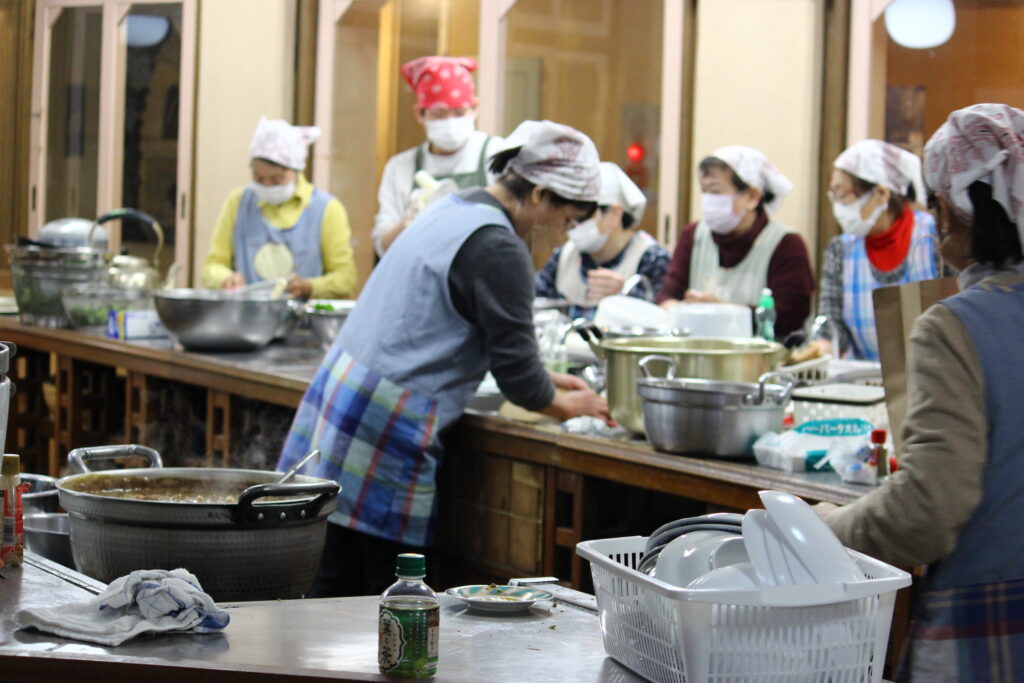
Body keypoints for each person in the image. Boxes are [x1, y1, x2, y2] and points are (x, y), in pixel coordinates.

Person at [276, 120, 612, 597]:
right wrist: (572, 406)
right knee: (389, 593)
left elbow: (484, 341)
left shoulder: (456, 206)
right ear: (538, 195)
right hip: (387, 423)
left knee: (334, 581)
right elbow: (520, 384)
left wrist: (553, 379)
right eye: (569, 219)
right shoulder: (500, 247)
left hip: (343, 396)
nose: (565, 235)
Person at [819, 104, 1024, 681]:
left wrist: (826, 527)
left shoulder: (955, 325)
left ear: (959, 214)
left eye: (938, 203)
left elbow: (929, 511)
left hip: (992, 630)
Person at [656, 145, 814, 341]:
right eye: (704, 191)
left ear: (752, 197)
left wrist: (722, 313)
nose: (707, 200)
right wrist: (678, 310)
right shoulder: (693, 235)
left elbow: (790, 315)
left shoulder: (786, 244)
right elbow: (667, 295)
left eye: (715, 191)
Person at [202, 118, 357, 299]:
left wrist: (310, 287)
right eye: (259, 178)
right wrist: (226, 279)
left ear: (297, 170)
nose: (267, 185)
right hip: (246, 319)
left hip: (303, 321)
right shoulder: (238, 203)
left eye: (277, 179)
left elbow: (346, 279)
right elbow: (212, 265)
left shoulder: (326, 209)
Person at [815, 139, 941, 360]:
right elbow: (831, 324)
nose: (838, 208)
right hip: (861, 384)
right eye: (833, 196)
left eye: (843, 195)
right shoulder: (840, 251)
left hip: (931, 380)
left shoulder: (935, 240)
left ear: (882, 194)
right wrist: (823, 346)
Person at [372, 56, 506, 256]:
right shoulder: (401, 168)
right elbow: (383, 247)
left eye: (459, 113)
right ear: (420, 114)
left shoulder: (497, 154)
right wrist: (410, 219)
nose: (450, 123)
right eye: (439, 115)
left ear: (475, 108)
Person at [535, 162, 670, 319]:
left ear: (614, 214)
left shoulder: (651, 258)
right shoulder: (565, 255)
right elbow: (538, 299)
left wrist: (625, 296)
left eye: (584, 216)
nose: (574, 225)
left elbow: (660, 319)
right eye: (570, 216)